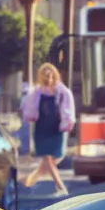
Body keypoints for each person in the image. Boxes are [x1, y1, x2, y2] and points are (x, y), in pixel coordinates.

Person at [19, 62, 73, 196]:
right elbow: (27, 107)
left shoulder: (62, 91)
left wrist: (68, 121)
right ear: (41, 77)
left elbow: (68, 108)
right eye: (45, 77)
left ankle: (29, 180)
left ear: (54, 76)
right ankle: (60, 187)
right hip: (42, 128)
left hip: (56, 129)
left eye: (50, 76)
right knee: (48, 158)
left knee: (54, 158)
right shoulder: (36, 92)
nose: (48, 79)